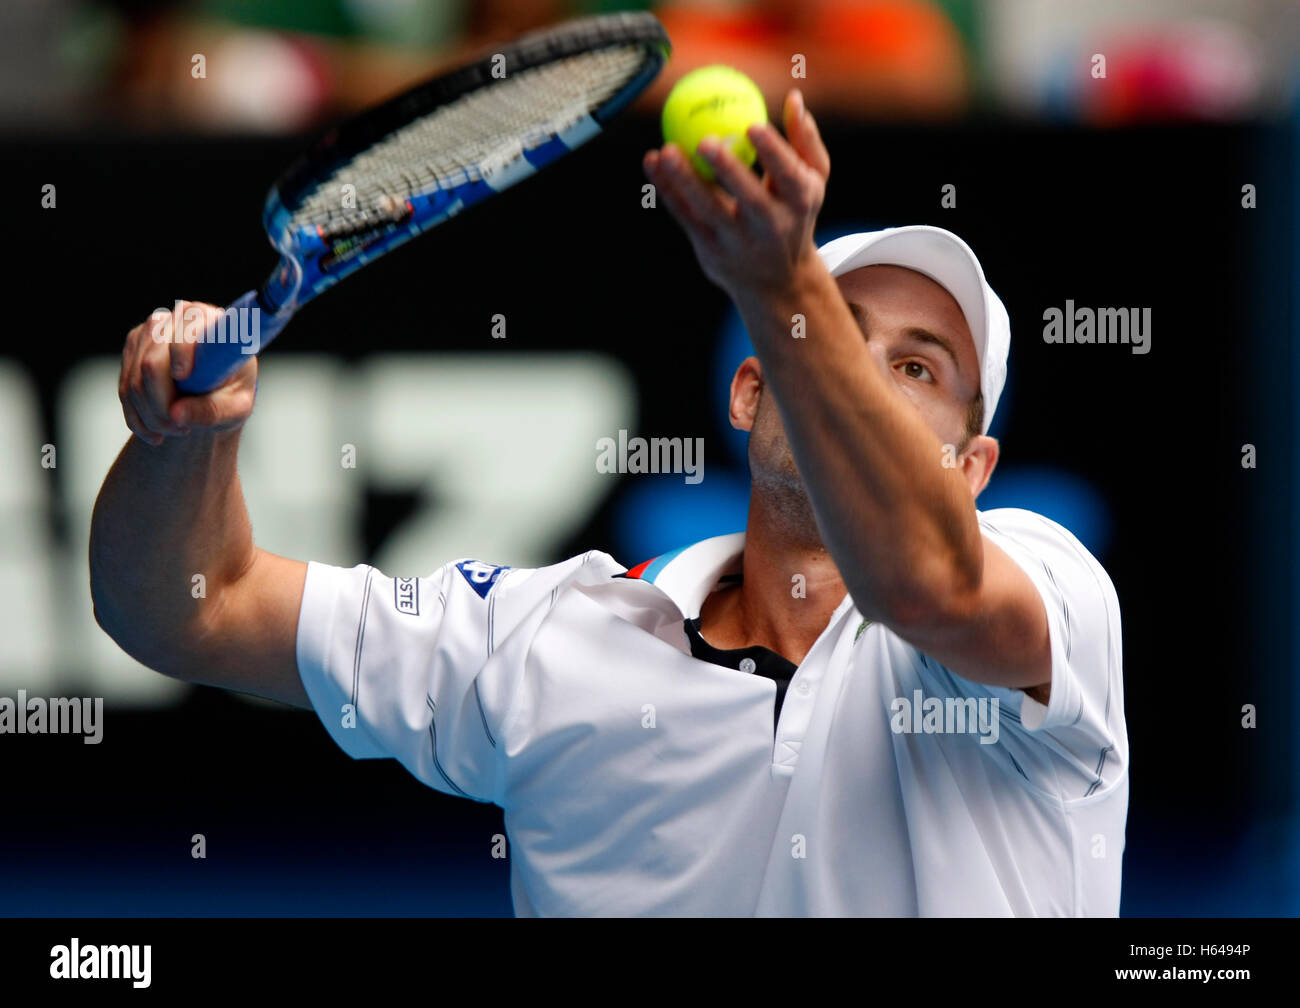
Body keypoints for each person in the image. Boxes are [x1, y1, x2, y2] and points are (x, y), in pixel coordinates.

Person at [90, 88, 1127, 916]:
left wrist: (784, 296)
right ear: (751, 390)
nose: (865, 371)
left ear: (972, 469)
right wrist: (185, 437)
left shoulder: (1054, 601)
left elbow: (928, 581)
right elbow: (190, 608)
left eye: (917, 369)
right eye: (839, 336)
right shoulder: (543, 640)